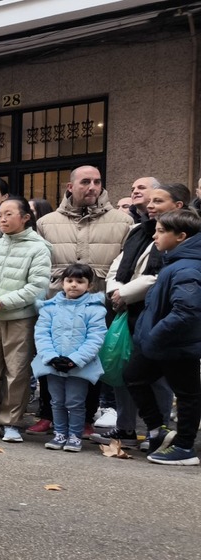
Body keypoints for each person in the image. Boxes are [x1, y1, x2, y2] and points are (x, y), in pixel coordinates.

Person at [29, 166, 132, 435]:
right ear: (70, 186)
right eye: (85, 181)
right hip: (56, 302)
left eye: (97, 182)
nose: (92, 187)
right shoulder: (47, 222)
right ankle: (47, 415)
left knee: (90, 360)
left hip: (99, 302)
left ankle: (85, 418)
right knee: (51, 357)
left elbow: (125, 265)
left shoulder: (122, 221)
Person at [98, 183, 189, 447]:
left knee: (155, 376)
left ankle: (157, 430)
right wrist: (116, 291)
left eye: (158, 201)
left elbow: (160, 276)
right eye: (151, 201)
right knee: (123, 368)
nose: (150, 205)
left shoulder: (184, 235)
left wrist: (125, 294)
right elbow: (118, 264)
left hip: (153, 310)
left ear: (177, 206)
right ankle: (125, 428)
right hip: (124, 308)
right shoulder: (138, 230)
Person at [0, 198, 52, 442]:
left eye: (8, 214)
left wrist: (3, 302)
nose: (2, 219)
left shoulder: (39, 248)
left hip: (20, 318)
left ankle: (11, 422)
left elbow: (37, 288)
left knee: (17, 372)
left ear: (25, 217)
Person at [122, 208, 201, 465]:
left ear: (180, 236)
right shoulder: (176, 262)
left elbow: (186, 311)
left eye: (160, 231)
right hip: (160, 344)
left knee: (188, 394)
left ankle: (184, 448)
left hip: (177, 345)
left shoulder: (187, 268)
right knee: (133, 377)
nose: (155, 237)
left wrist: (155, 337)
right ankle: (160, 430)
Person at [32, 264, 107, 452]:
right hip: (52, 364)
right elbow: (41, 334)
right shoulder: (49, 308)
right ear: (62, 283)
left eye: (80, 281)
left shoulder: (95, 309)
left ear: (89, 286)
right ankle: (59, 433)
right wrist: (51, 357)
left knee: (75, 402)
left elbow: (95, 338)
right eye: (69, 281)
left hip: (80, 366)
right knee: (56, 401)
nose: (73, 285)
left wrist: (75, 359)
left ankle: (74, 435)